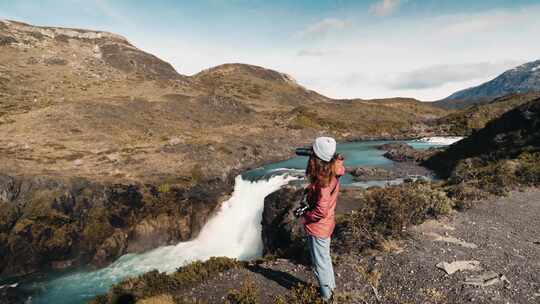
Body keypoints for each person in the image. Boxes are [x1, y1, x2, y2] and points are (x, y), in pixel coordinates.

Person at [301, 136, 345, 302]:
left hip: (319, 226)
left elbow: (321, 209)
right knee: (324, 260)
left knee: (320, 264)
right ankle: (331, 293)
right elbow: (338, 161)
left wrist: (307, 216)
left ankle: (328, 298)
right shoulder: (334, 168)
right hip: (327, 223)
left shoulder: (323, 183)